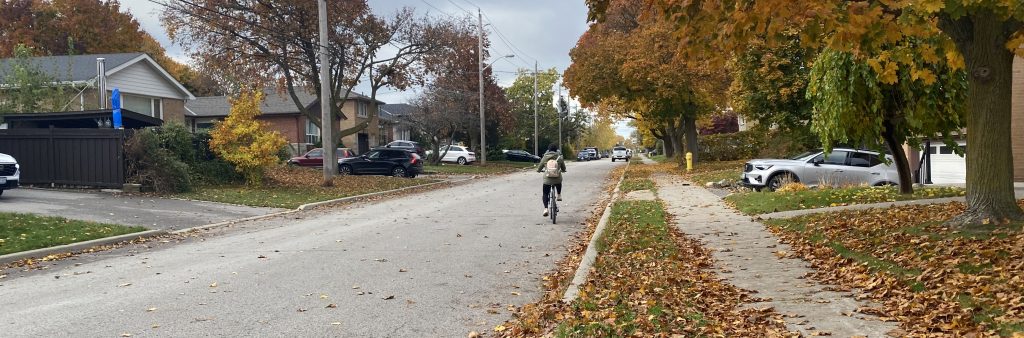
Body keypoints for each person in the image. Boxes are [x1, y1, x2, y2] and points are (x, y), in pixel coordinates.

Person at [536, 143, 566, 217]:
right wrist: (563, 170)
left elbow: (539, 167)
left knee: (545, 193)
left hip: (547, 179)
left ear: (548, 150)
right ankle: (559, 195)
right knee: (559, 182)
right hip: (557, 178)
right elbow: (563, 168)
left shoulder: (545, 157)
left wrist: (539, 170)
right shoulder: (559, 157)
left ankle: (546, 208)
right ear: (556, 150)